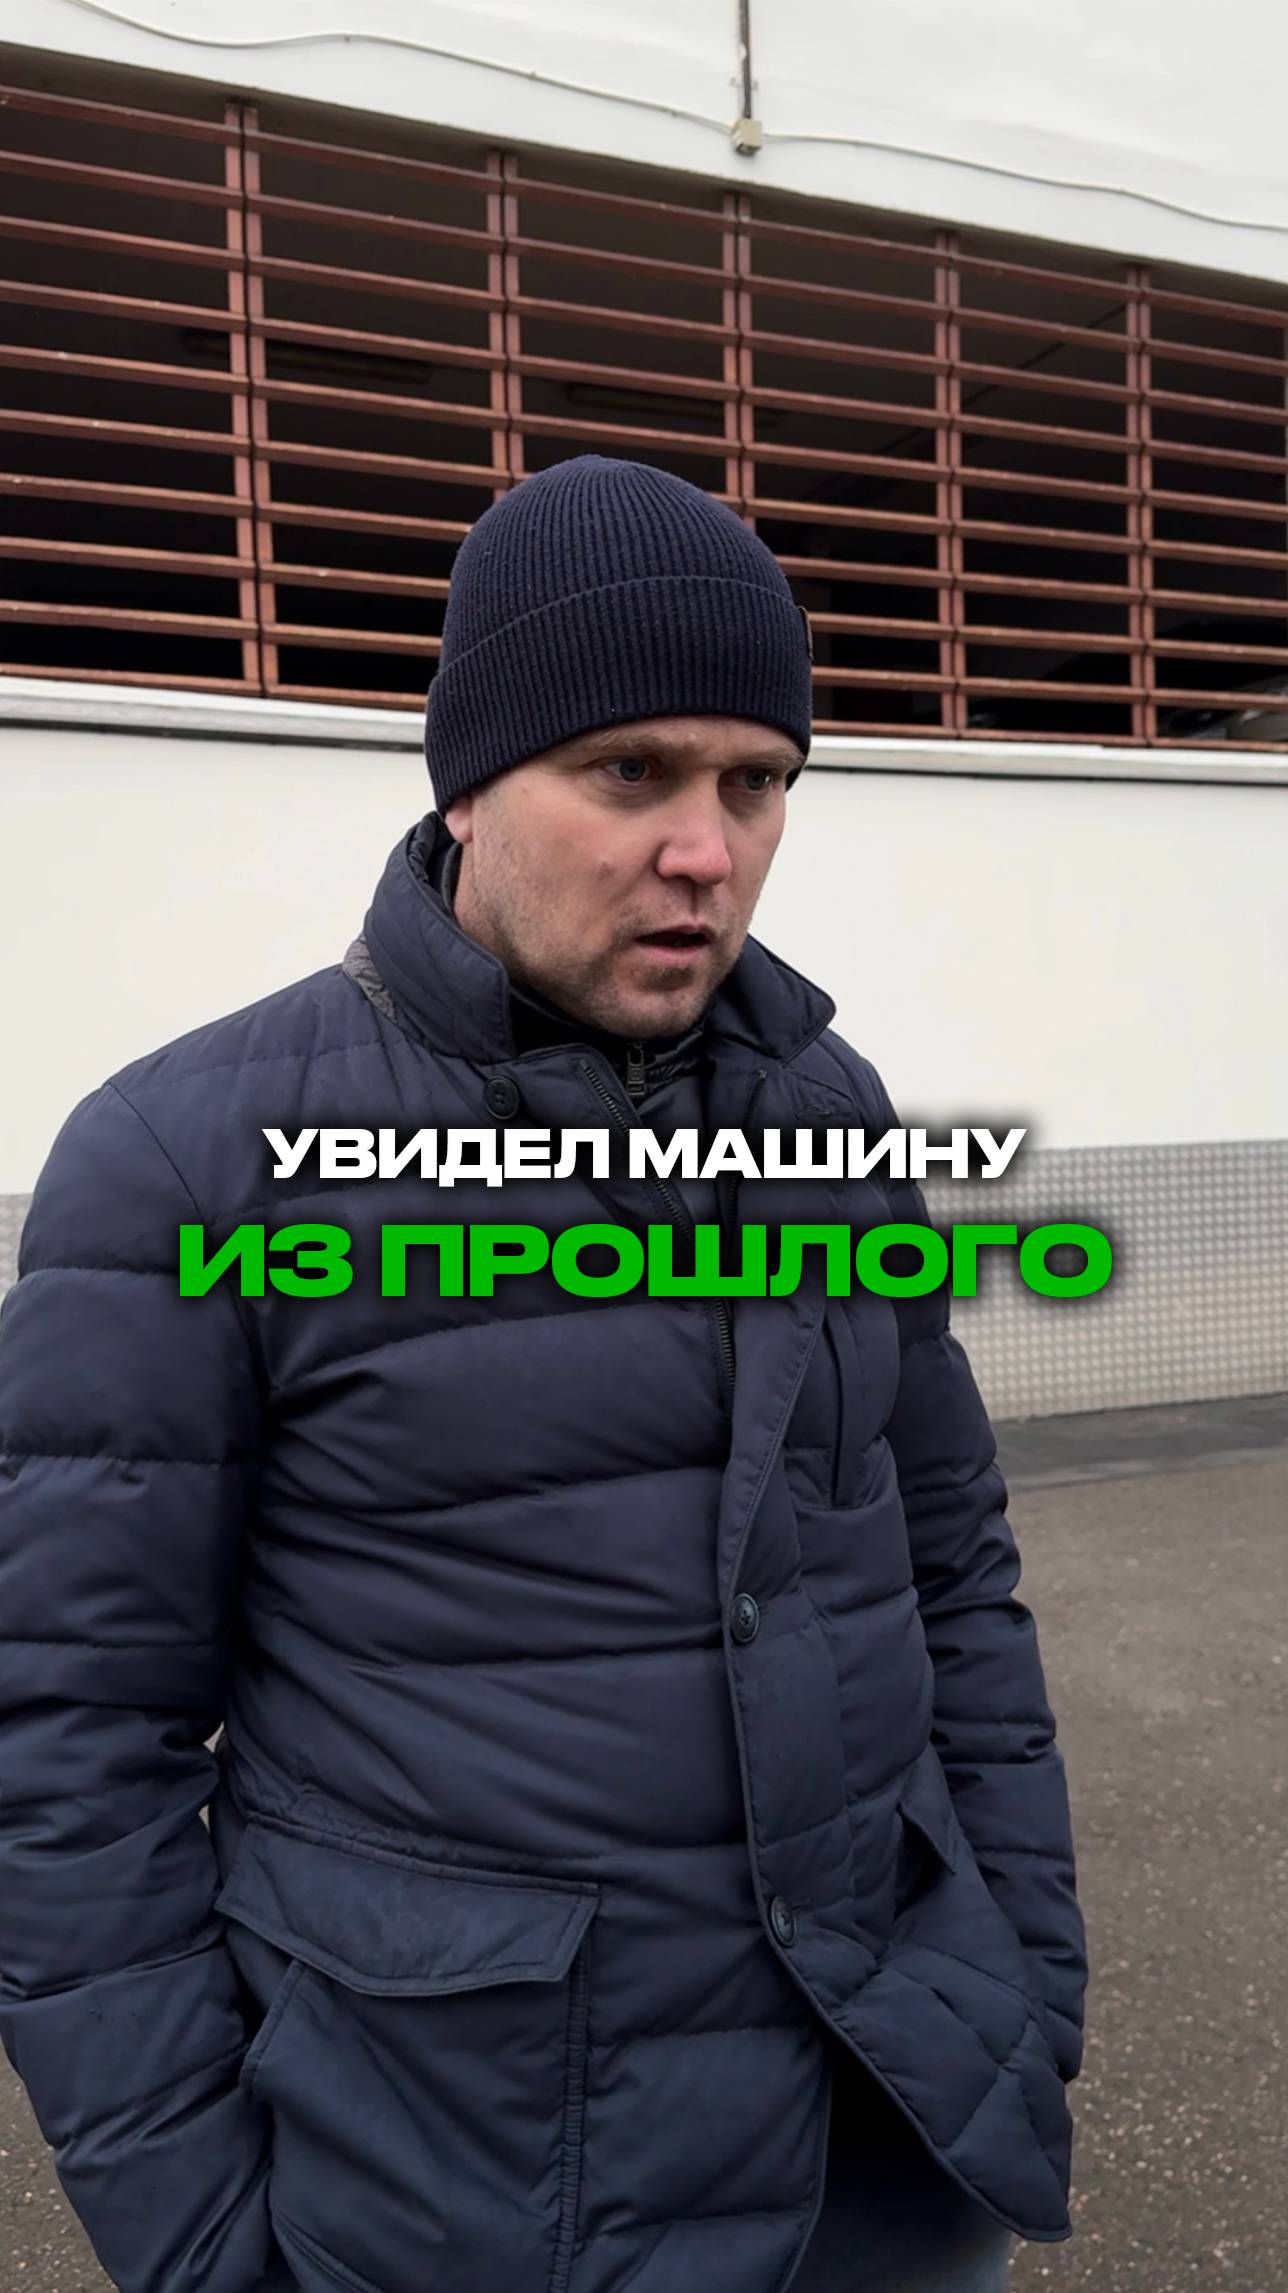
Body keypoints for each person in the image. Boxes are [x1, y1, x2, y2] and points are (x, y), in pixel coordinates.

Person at [0, 455, 1087, 2293]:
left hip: (894, 2142)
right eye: (630, 772)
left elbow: (951, 1566)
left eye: (757, 781)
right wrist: (207, 2245)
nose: (706, 849)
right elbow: (69, 1749)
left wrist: (1029, 1978)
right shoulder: (191, 1164)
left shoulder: (829, 1111)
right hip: (482, 2191)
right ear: (468, 782)